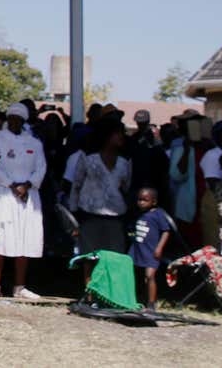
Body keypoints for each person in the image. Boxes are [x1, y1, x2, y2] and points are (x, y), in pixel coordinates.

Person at [0, 102, 45, 299]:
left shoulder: (34, 142)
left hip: (27, 195)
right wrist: (11, 184)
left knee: (25, 238)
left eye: (20, 119)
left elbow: (41, 168)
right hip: (1, 192)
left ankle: (20, 286)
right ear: (8, 118)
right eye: (12, 118)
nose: (15, 122)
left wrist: (27, 185)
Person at [70, 119, 132, 270]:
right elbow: (76, 185)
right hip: (90, 215)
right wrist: (73, 214)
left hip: (115, 217)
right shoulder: (88, 159)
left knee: (114, 259)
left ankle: (109, 292)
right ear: (108, 136)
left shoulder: (125, 162)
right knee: (90, 258)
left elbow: (126, 187)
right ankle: (90, 292)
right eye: (118, 134)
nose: (121, 137)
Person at [129, 188, 171, 312]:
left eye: (145, 200)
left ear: (153, 202)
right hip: (137, 250)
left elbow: (166, 232)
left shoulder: (158, 214)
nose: (141, 202)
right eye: (139, 200)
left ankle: (151, 304)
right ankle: (134, 299)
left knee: (149, 275)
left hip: (151, 251)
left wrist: (159, 247)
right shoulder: (139, 214)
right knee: (133, 274)